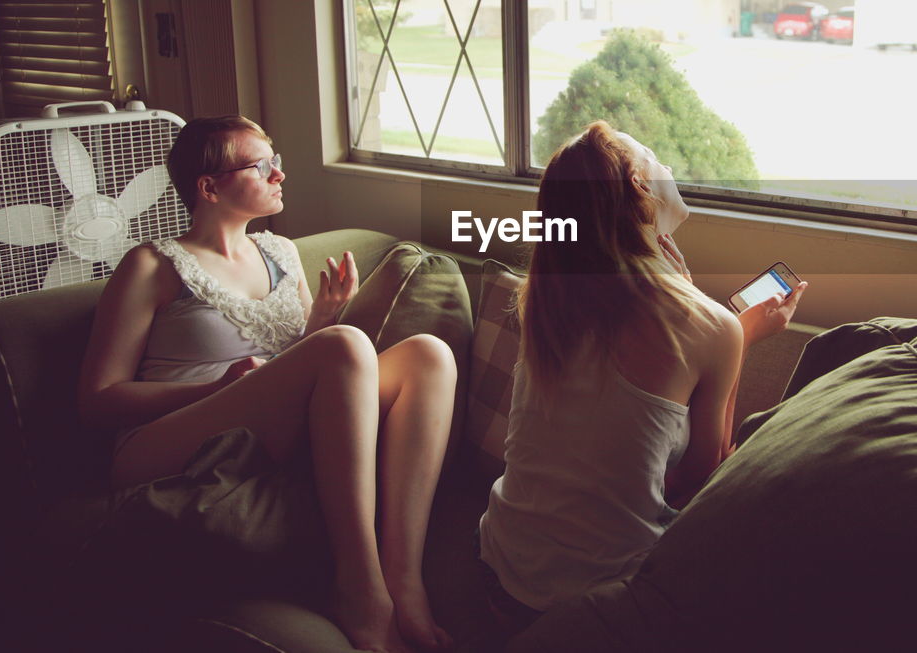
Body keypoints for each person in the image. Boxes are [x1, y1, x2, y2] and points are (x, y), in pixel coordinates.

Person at [78, 115, 454, 653]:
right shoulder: (151, 266)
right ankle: (360, 588)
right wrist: (216, 389)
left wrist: (323, 317)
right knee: (347, 345)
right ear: (209, 187)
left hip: (265, 428)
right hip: (162, 439)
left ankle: (404, 580)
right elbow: (97, 402)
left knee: (428, 356)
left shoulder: (280, 252)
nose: (279, 174)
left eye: (275, 162)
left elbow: (299, 365)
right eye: (261, 166)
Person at [477, 120, 806, 625]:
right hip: (601, 599)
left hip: (503, 569)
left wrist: (708, 311)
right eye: (654, 157)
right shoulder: (710, 328)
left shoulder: (548, 299)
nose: (668, 166)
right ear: (638, 191)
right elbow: (705, 477)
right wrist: (738, 338)